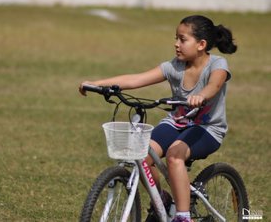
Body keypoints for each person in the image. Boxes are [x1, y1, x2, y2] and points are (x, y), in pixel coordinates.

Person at [79, 15, 237, 222]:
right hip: (176, 123)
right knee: (141, 155)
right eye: (176, 38)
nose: (176, 44)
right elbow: (136, 79)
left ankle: (182, 216)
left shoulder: (217, 64)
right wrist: (98, 83)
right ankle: (161, 201)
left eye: (182, 39)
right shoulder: (175, 66)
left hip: (207, 128)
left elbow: (214, 85)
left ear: (201, 44)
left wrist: (202, 96)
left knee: (174, 155)